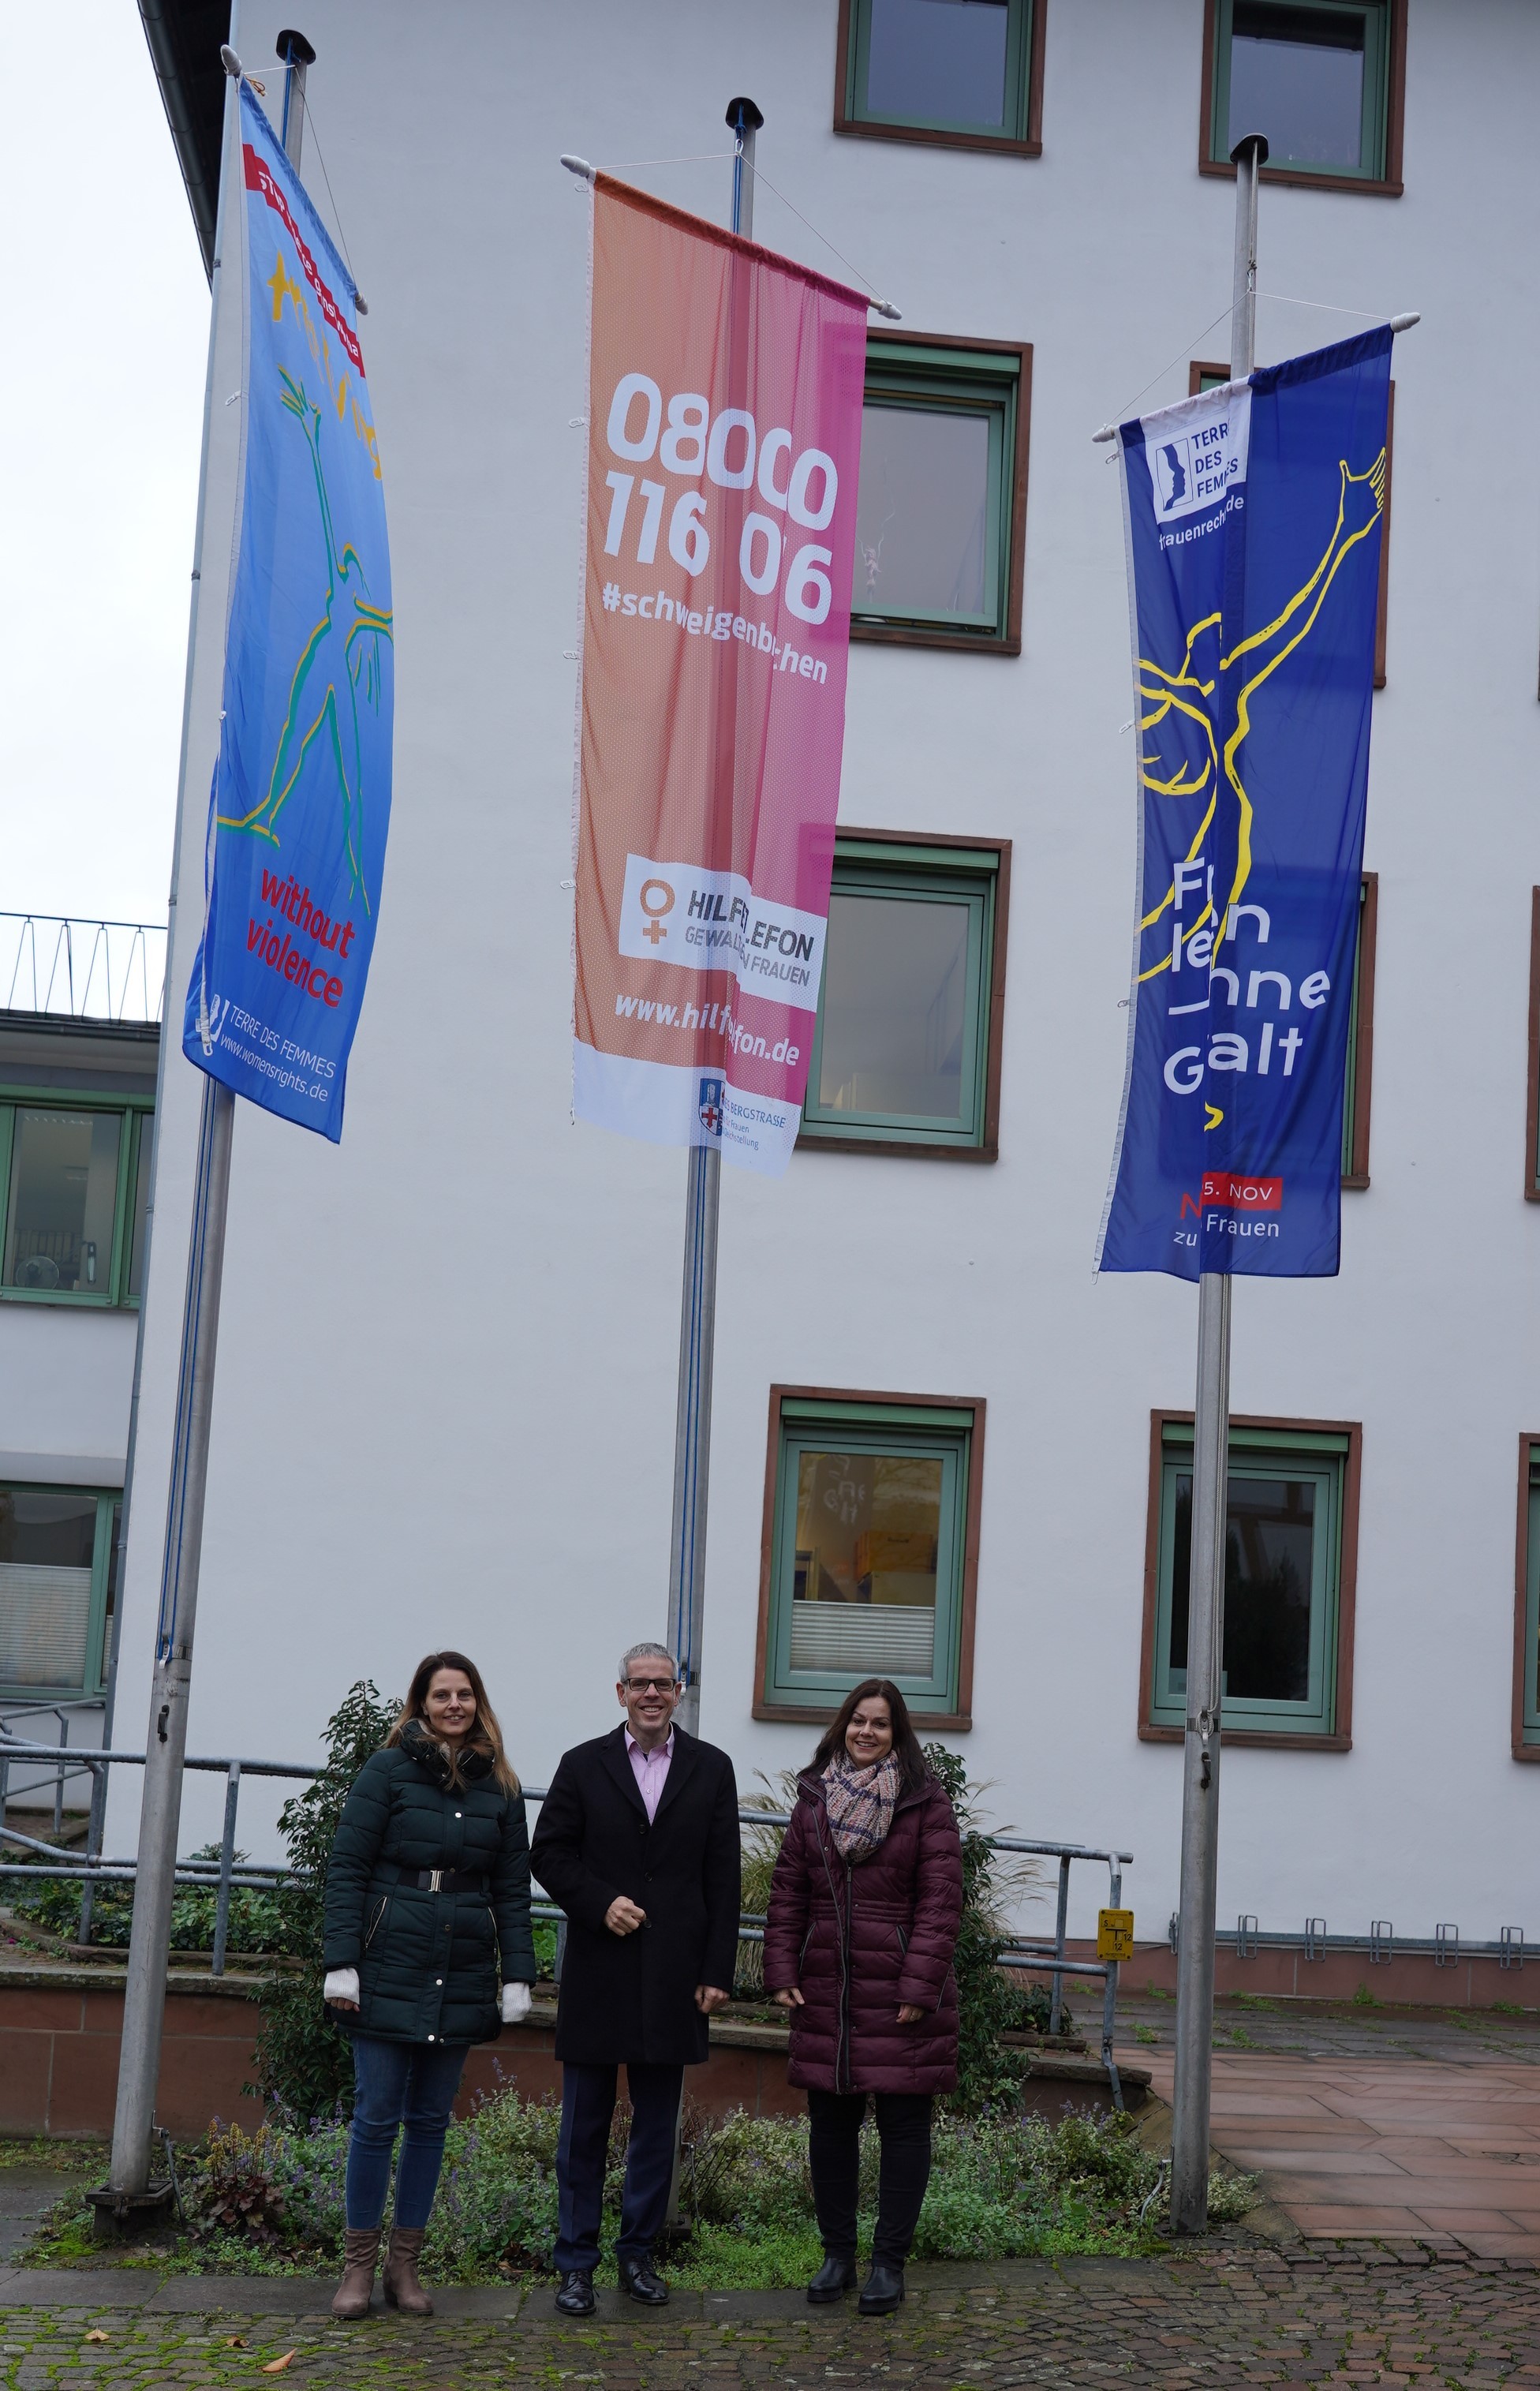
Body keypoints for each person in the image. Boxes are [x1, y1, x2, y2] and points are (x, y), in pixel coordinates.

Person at [320, 1651, 536, 2319]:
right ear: (421, 1703)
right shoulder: (386, 1771)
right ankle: (357, 2269)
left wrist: (517, 1973)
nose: (454, 1705)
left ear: (478, 1703)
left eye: (464, 1694)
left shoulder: (502, 1785)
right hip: (386, 1963)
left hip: (462, 1966)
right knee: (375, 2119)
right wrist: (341, 1963)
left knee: (430, 2124)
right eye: (441, 1695)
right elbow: (347, 1867)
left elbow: (513, 1889)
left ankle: (403, 2267)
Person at [530, 1642, 741, 2315]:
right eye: (639, 1683)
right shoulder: (581, 1764)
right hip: (600, 1968)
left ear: (678, 1692)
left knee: (655, 2131)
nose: (652, 1694)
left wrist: (717, 1970)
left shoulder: (712, 1768)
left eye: (663, 1684)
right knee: (582, 2130)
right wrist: (599, 1902)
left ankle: (637, 2257)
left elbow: (723, 1877)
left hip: (676, 1974)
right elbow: (547, 1853)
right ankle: (575, 2265)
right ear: (619, 1693)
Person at [763, 1678, 962, 2316]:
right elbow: (789, 1891)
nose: (866, 1732)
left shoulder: (924, 1802)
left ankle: (888, 2265)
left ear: (897, 1732)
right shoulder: (815, 1798)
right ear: (842, 1726)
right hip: (827, 1984)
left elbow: (940, 1902)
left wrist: (920, 1984)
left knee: (904, 2128)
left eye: (879, 1723)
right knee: (831, 2125)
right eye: (858, 1720)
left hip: (900, 1991)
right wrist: (781, 1967)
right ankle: (837, 2257)